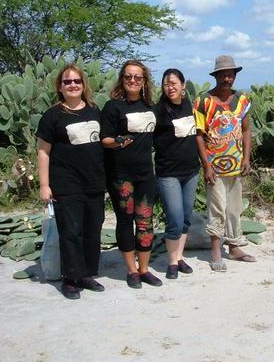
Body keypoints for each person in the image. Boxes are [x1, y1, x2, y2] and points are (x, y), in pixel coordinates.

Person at [36, 63, 106, 299]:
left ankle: (86, 274)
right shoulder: (53, 115)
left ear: (83, 84)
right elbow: (43, 152)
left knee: (92, 229)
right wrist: (44, 185)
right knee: (71, 231)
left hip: (94, 182)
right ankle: (70, 278)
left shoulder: (95, 111)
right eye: (68, 81)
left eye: (77, 81)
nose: (73, 85)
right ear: (60, 86)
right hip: (66, 183)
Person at [100, 60, 162, 289]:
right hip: (120, 175)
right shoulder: (113, 107)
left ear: (144, 81)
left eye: (137, 77)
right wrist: (117, 142)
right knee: (125, 221)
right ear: (122, 79)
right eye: (128, 77)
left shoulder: (151, 107)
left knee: (145, 221)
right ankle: (131, 270)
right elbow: (103, 139)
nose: (133, 80)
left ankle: (145, 270)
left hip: (146, 174)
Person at [193, 55, 255, 271]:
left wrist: (247, 158)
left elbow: (246, 130)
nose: (227, 78)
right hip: (214, 165)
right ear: (216, 76)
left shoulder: (242, 100)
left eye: (230, 74)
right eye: (223, 74)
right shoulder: (203, 101)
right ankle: (216, 250)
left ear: (235, 75)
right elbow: (199, 135)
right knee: (217, 208)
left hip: (236, 164)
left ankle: (235, 246)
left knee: (234, 208)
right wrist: (206, 165)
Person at [154, 68, 201, 279]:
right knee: (174, 216)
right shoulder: (158, 111)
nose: (170, 87)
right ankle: (172, 262)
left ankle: (179, 257)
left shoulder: (191, 107)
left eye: (173, 83)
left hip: (191, 171)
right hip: (168, 173)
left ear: (183, 85)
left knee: (186, 217)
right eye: (166, 83)